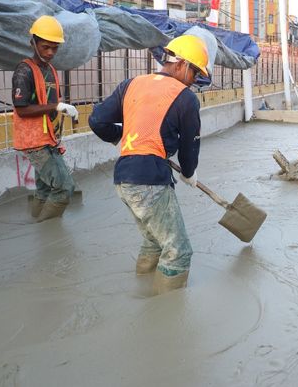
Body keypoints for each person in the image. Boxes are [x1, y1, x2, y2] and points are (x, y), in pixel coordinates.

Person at [88, 35, 208, 295]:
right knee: (178, 251)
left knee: (154, 241)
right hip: (150, 180)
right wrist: (189, 173)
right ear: (181, 64)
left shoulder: (131, 84)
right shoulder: (186, 99)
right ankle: (164, 317)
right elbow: (189, 148)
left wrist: (120, 135)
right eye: (195, 72)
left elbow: (96, 120)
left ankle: (141, 294)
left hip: (124, 178)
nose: (194, 80)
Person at [12, 15, 78, 221]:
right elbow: (21, 109)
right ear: (33, 42)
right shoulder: (24, 71)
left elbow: (48, 100)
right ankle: (46, 232)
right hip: (34, 141)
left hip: (48, 137)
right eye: (45, 47)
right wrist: (56, 105)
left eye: (54, 48)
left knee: (43, 190)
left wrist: (62, 110)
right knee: (64, 188)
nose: (50, 52)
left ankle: (36, 225)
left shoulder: (49, 70)